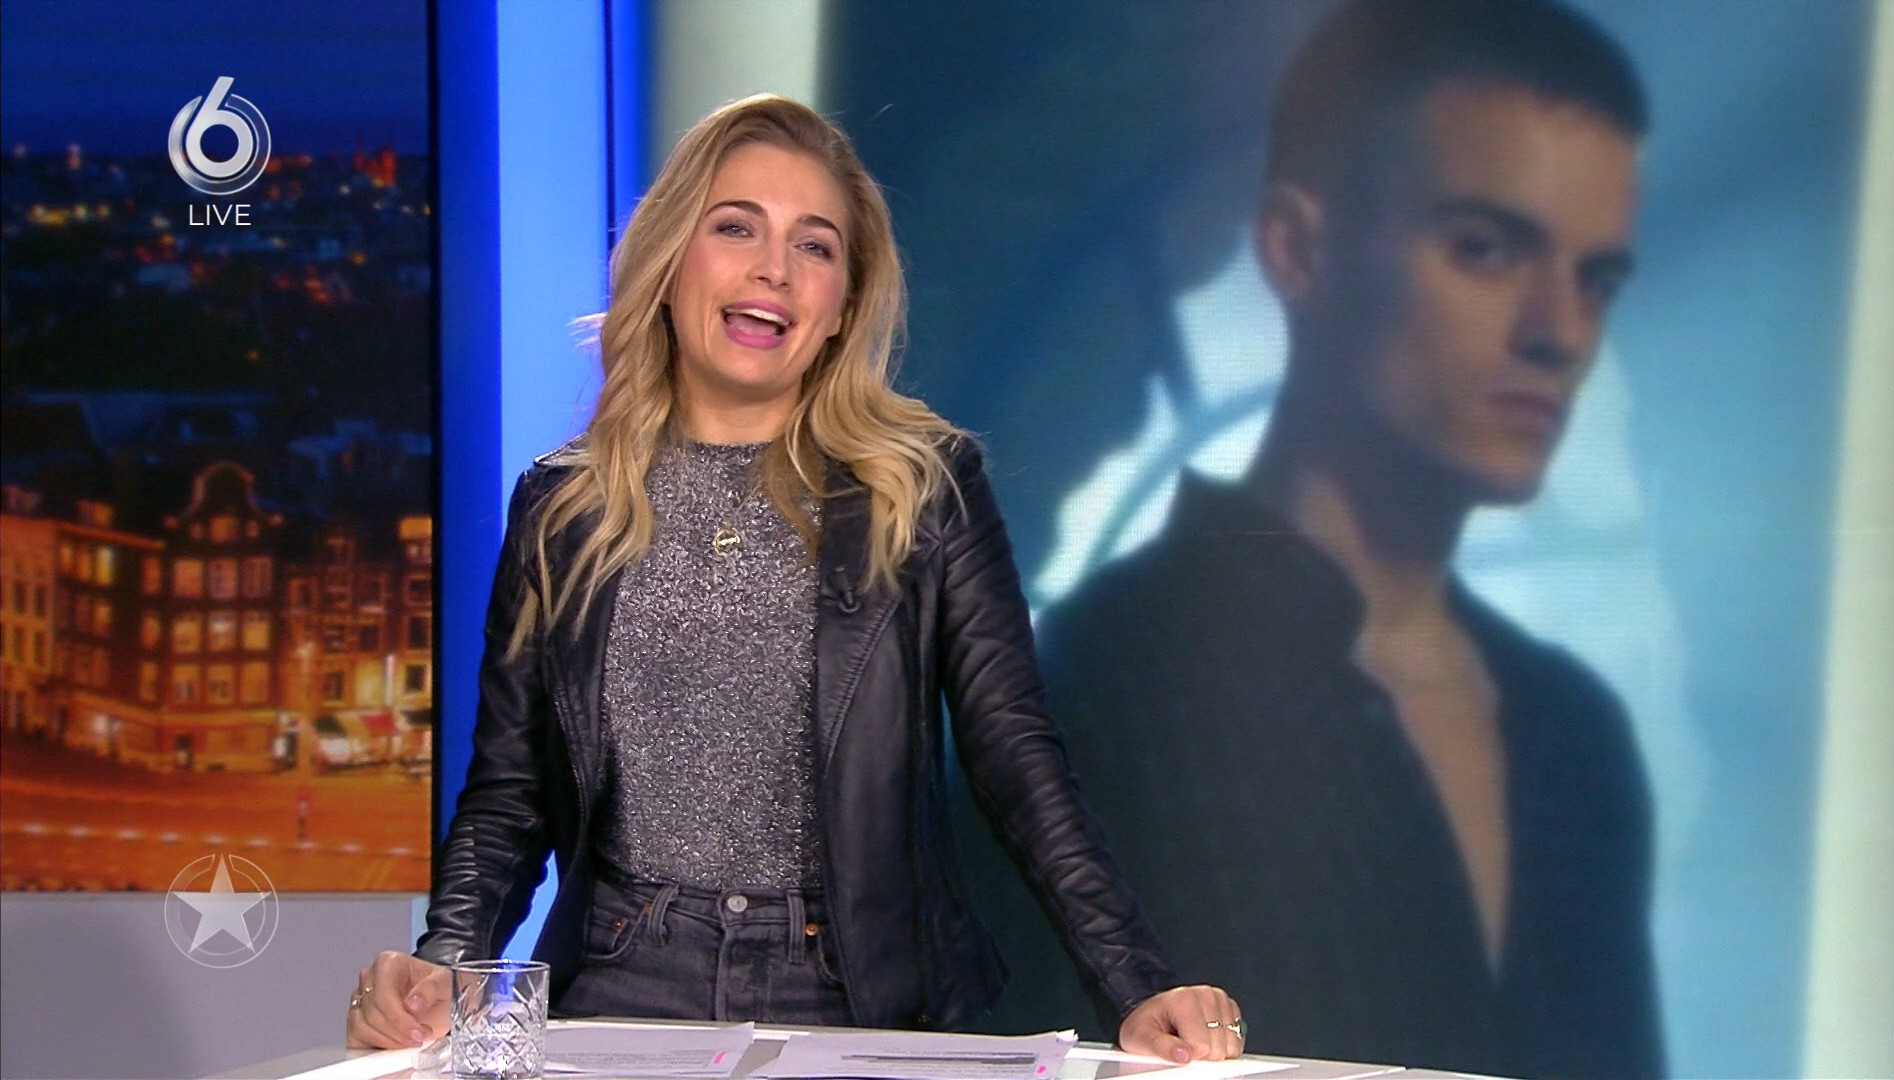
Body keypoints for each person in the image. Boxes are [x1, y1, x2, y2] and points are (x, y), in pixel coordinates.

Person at [343, 94, 1242, 1063]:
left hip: (855, 993)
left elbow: (1016, 758)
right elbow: (509, 791)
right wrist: (442, 963)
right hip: (622, 979)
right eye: (736, 227)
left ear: (843, 304)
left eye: (815, 245)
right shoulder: (563, 507)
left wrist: (1134, 982)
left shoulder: (922, 487)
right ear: (672, 260)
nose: (774, 268)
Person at [1013, 2, 1665, 1077]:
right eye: (1485, 247)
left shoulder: (1573, 734)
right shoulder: (1093, 687)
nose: (1559, 332)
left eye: (1595, 280)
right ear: (1298, 248)